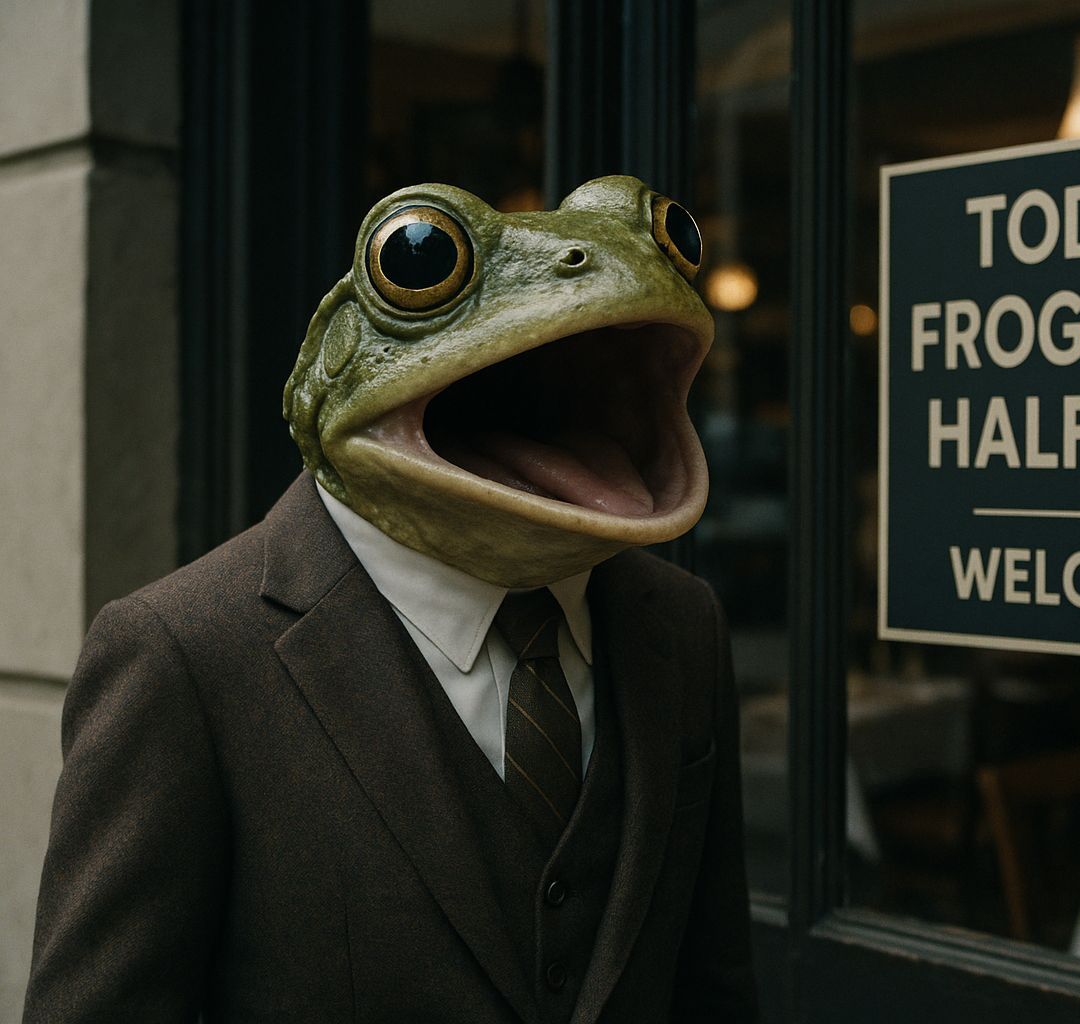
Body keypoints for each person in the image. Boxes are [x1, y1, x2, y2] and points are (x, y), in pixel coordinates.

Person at [24, 177, 757, 1023]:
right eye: (422, 258)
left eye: (669, 237)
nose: (582, 262)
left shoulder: (681, 622)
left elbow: (714, 979)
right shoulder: (182, 652)